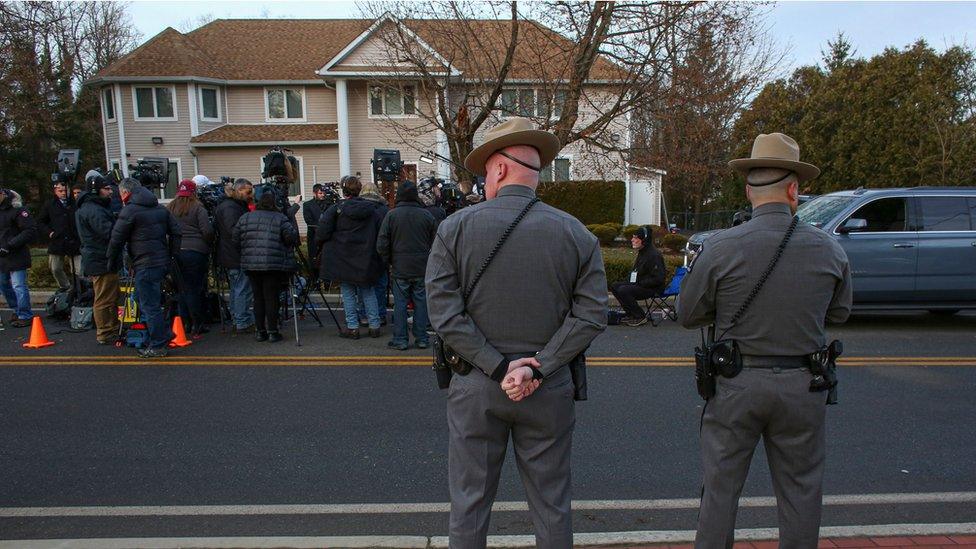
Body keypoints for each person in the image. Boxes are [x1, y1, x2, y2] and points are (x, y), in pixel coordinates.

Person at [426, 118, 607, 549]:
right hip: (547, 387)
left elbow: (443, 314)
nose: (484, 180)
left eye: (484, 172)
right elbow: (591, 314)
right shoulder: (576, 233)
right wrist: (537, 366)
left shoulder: (455, 228)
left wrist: (498, 365)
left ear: (500, 169)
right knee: (552, 506)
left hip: (476, 384)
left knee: (469, 505)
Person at [677, 133, 853, 549]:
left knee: (720, 491)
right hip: (803, 383)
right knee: (800, 492)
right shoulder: (829, 249)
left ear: (748, 190)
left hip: (737, 383)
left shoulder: (721, 247)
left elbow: (687, 314)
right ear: (794, 190)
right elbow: (840, 313)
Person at [107, 178, 182, 359]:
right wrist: (171, 254)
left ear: (125, 193)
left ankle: (158, 343)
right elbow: (177, 231)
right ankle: (163, 333)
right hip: (160, 261)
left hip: (144, 263)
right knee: (142, 298)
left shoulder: (130, 211)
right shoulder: (159, 209)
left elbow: (116, 239)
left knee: (149, 305)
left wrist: (110, 261)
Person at [316, 175, 386, 339]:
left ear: (344, 190)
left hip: (344, 257)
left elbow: (322, 232)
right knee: (368, 291)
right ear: (359, 190)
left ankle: (353, 327)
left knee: (348, 292)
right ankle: (374, 325)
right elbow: (380, 234)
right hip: (366, 256)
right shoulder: (372, 211)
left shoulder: (337, 209)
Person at [376, 180, 436, 351]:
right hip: (421, 266)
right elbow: (437, 242)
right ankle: (422, 338)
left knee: (400, 304)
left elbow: (382, 243)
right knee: (421, 302)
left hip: (400, 266)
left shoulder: (392, 215)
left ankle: (400, 339)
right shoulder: (426, 215)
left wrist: (389, 260)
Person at [233, 191, 298, 343]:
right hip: (272, 263)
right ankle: (273, 331)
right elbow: (291, 238)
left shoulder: (245, 217)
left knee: (258, 298)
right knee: (271, 297)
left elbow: (235, 238)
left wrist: (245, 252)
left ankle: (260, 331)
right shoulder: (280, 218)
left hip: (251, 263)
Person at [76, 175, 122, 344]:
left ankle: (112, 327)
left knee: (111, 295)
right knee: (104, 297)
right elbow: (108, 232)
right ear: (96, 190)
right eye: (107, 189)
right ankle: (105, 331)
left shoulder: (96, 207)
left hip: (101, 257)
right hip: (100, 258)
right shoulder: (93, 210)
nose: (110, 192)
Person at [166, 179, 214, 339]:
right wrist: (208, 244)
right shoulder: (198, 207)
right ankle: (197, 323)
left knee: (181, 289)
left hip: (176, 252)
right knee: (194, 288)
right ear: (194, 192)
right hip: (196, 251)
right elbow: (206, 230)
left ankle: (184, 322)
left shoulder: (170, 208)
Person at [214, 178, 255, 333]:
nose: (251, 195)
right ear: (239, 190)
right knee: (242, 288)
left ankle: (238, 318)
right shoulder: (231, 208)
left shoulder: (231, 206)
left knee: (237, 288)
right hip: (236, 254)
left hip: (232, 254)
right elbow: (234, 231)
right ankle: (242, 321)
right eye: (248, 191)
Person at [609, 226, 667, 327]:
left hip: (652, 288)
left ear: (644, 240)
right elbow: (636, 272)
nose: (632, 240)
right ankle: (630, 313)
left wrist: (640, 283)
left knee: (624, 290)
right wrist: (631, 281)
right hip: (640, 284)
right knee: (615, 286)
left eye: (636, 238)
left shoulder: (654, 255)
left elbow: (659, 279)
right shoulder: (642, 252)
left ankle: (640, 316)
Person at [0, 188, 37, 327]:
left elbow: (29, 230)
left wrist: (10, 245)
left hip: (16, 254)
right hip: (2, 255)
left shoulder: (18, 210)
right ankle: (16, 309)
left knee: (18, 285)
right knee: (3, 285)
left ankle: (25, 314)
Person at [37, 182, 82, 292]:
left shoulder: (76, 203)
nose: (63, 193)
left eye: (65, 191)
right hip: (57, 241)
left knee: (79, 270)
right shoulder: (50, 205)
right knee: (55, 268)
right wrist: (49, 232)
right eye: (60, 191)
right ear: (55, 191)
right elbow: (41, 222)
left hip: (75, 241)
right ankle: (65, 286)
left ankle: (79, 288)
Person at [359, 181, 390, 325]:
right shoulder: (384, 210)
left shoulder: (358, 209)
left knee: (363, 285)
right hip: (379, 251)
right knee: (380, 285)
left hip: (362, 250)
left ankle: (364, 314)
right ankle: (380, 314)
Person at [302, 183, 333, 277]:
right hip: (313, 236)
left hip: (327, 237)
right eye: (320, 193)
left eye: (323, 193)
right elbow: (308, 220)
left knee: (327, 260)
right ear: (314, 193)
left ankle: (326, 281)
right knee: (314, 259)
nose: (322, 195)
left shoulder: (329, 204)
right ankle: (314, 280)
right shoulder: (307, 205)